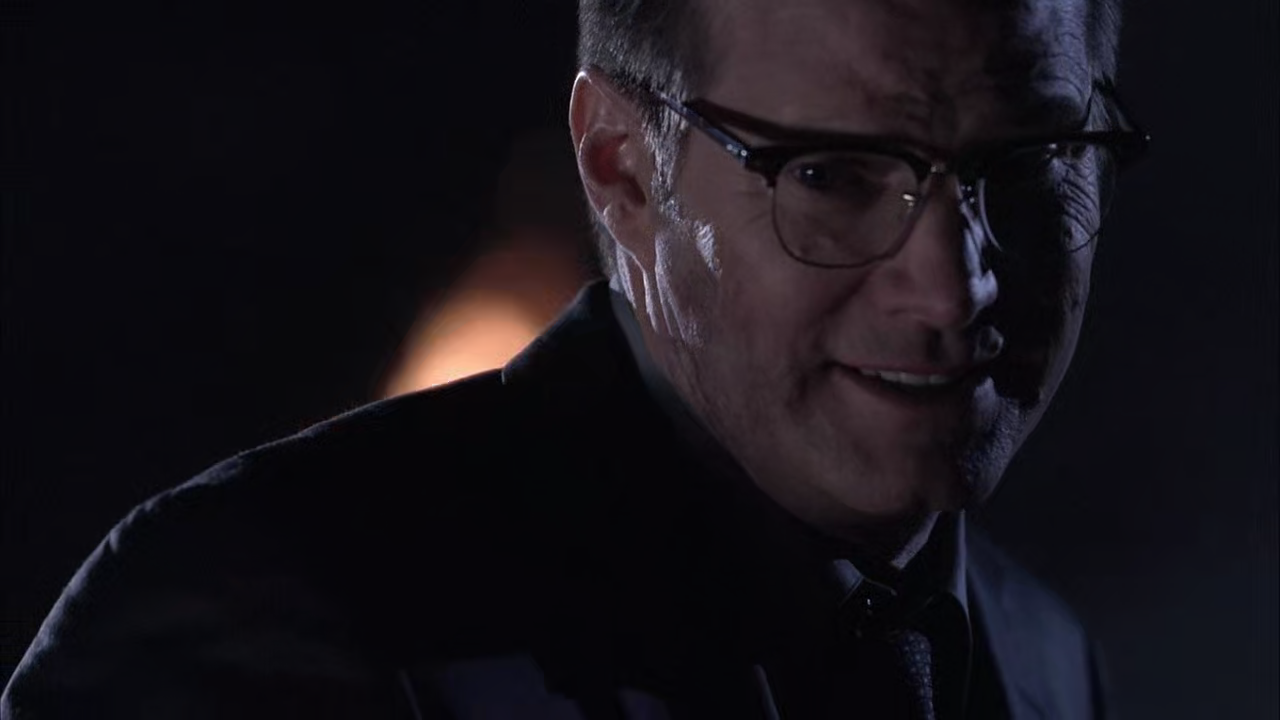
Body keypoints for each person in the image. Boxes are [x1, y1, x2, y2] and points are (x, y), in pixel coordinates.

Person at [3, 0, 1149, 717]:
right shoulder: (261, 616)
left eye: (1032, 160)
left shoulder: (1044, 661)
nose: (951, 289)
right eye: (830, 176)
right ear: (620, 170)